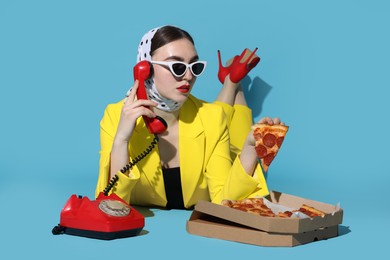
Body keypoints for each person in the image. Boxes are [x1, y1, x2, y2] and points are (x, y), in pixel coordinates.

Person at [95, 25, 283, 209]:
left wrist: (250, 148)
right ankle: (231, 80)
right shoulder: (115, 116)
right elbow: (112, 204)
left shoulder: (213, 119)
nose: (188, 76)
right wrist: (121, 140)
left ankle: (233, 82)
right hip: (206, 116)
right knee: (219, 112)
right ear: (145, 68)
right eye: (177, 66)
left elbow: (224, 201)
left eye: (195, 66)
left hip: (215, 124)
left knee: (229, 123)